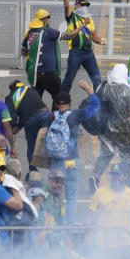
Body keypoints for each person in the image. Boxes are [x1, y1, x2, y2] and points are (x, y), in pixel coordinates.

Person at [41, 81, 99, 226]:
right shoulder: (75, 115)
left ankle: (57, 226)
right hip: (72, 161)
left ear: (56, 104)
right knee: (71, 197)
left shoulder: (50, 118)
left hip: (56, 162)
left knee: (56, 195)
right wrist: (89, 92)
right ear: (70, 103)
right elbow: (95, 107)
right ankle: (70, 226)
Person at [21, 9, 86, 108]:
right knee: (60, 98)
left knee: (36, 101)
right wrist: (83, 25)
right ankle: (56, 119)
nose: (50, 21)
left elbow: (23, 51)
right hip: (48, 73)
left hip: (35, 75)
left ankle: (36, 121)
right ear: (45, 20)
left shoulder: (29, 33)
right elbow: (70, 36)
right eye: (49, 19)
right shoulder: (48, 32)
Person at [91, 64, 130, 190]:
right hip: (124, 131)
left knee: (105, 154)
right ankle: (125, 180)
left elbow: (97, 104)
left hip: (106, 129)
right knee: (126, 157)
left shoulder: (104, 87)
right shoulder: (129, 91)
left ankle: (95, 176)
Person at [89, 165, 130, 258]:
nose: (115, 178)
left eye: (118, 175)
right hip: (103, 243)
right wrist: (89, 237)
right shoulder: (100, 192)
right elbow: (90, 216)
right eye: (113, 175)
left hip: (124, 245)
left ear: (125, 176)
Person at [60, 0, 105, 93]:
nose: (85, 7)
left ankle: (100, 104)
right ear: (76, 5)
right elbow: (66, 6)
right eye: (82, 5)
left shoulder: (90, 19)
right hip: (76, 52)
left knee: (97, 79)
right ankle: (62, 102)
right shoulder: (72, 16)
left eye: (86, 5)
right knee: (69, 79)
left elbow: (93, 36)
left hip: (88, 53)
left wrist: (100, 41)